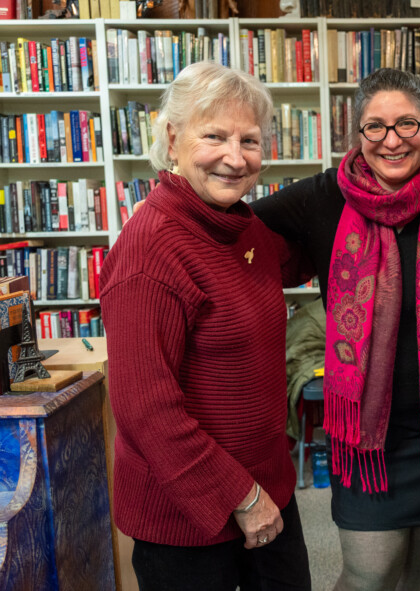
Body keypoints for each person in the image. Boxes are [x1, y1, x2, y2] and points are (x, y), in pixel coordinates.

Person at [100, 61, 313, 591]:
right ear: (172, 139)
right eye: (214, 136)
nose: (235, 158)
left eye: (250, 140)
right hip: (190, 521)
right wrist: (242, 498)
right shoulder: (151, 250)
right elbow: (145, 409)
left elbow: (301, 256)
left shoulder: (244, 230)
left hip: (269, 492)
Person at [251, 68, 420, 591]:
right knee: (369, 575)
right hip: (368, 438)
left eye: (407, 124)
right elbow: (231, 224)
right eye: (376, 127)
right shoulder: (323, 196)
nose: (392, 140)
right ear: (357, 134)